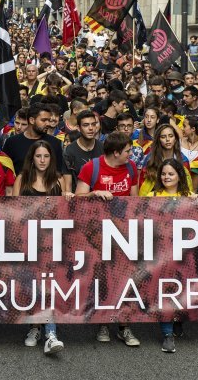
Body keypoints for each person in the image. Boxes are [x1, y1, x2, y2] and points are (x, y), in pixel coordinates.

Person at [74, 132, 140, 347]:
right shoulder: (91, 168)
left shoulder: (131, 168)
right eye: (128, 151)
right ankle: (103, 322)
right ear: (116, 152)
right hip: (96, 234)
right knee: (102, 279)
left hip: (123, 234)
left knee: (125, 280)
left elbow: (136, 202)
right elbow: (77, 200)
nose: (131, 154)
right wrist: (94, 194)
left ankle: (124, 325)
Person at [11, 141, 67, 354]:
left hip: (51, 244)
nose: (42, 160)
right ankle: (34, 327)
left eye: (46, 156)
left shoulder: (58, 180)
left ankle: (50, 334)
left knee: (48, 286)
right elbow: (14, 211)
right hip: (26, 243)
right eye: (38, 156)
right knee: (31, 288)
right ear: (32, 158)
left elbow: (64, 213)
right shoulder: (22, 179)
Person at [144, 157, 196, 353]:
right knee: (165, 291)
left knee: (183, 289)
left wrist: (197, 201)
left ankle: (178, 319)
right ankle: (167, 333)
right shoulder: (153, 195)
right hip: (160, 254)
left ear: (179, 176)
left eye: (171, 174)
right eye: (163, 174)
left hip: (184, 254)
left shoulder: (189, 195)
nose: (166, 177)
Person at [63, 110, 103, 189]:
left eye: (93, 124)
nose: (91, 128)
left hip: (101, 195)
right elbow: (68, 185)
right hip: (77, 197)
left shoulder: (103, 148)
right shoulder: (69, 151)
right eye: (86, 125)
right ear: (78, 128)